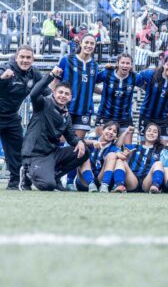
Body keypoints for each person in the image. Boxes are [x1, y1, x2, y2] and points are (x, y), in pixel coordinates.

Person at [19, 67, 88, 191]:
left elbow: (71, 136)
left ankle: (55, 175)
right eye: (60, 92)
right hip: (36, 154)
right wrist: (51, 75)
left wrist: (79, 142)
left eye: (66, 94)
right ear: (54, 93)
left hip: (52, 153)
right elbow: (34, 93)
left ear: (70, 97)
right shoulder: (43, 104)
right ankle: (26, 172)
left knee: (84, 151)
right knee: (47, 185)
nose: (63, 95)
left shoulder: (66, 114)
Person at [0, 46, 47, 189]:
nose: (25, 60)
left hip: (11, 117)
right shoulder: (5, 68)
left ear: (33, 59)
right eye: (22, 57)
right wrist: (2, 79)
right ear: (16, 57)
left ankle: (14, 183)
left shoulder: (34, 73)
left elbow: (46, 91)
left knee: (17, 152)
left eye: (28, 58)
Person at [95, 52, 142, 143]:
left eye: (128, 63)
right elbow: (91, 83)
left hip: (124, 118)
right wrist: (102, 92)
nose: (125, 65)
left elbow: (147, 87)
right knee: (101, 146)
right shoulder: (107, 73)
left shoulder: (134, 77)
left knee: (126, 149)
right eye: (122, 62)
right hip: (105, 116)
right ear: (117, 63)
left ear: (131, 65)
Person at [137, 55, 168, 144]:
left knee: (166, 146)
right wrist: (146, 87)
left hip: (164, 118)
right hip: (146, 115)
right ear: (163, 64)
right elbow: (135, 77)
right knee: (145, 145)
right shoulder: (151, 74)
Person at [58, 34, 98, 137]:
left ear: (95, 46)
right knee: (60, 143)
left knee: (77, 146)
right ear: (80, 43)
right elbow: (54, 83)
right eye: (86, 42)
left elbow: (92, 84)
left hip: (84, 110)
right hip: (65, 108)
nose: (89, 45)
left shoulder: (94, 65)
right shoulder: (66, 60)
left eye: (92, 43)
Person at [112, 123, 165, 193]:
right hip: (132, 179)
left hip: (147, 181)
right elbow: (118, 145)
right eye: (149, 131)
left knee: (159, 163)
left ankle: (155, 187)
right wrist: (126, 132)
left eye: (155, 132)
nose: (151, 133)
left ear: (158, 136)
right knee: (120, 161)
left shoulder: (161, 150)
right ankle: (119, 185)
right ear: (145, 133)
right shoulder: (134, 147)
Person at [75, 121, 123, 193]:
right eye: (109, 129)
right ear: (103, 130)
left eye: (114, 131)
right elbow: (77, 142)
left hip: (102, 181)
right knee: (82, 149)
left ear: (116, 136)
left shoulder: (114, 148)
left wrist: (121, 154)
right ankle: (91, 183)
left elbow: (120, 154)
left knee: (112, 155)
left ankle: (105, 184)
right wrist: (92, 142)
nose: (111, 132)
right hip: (85, 182)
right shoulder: (91, 139)